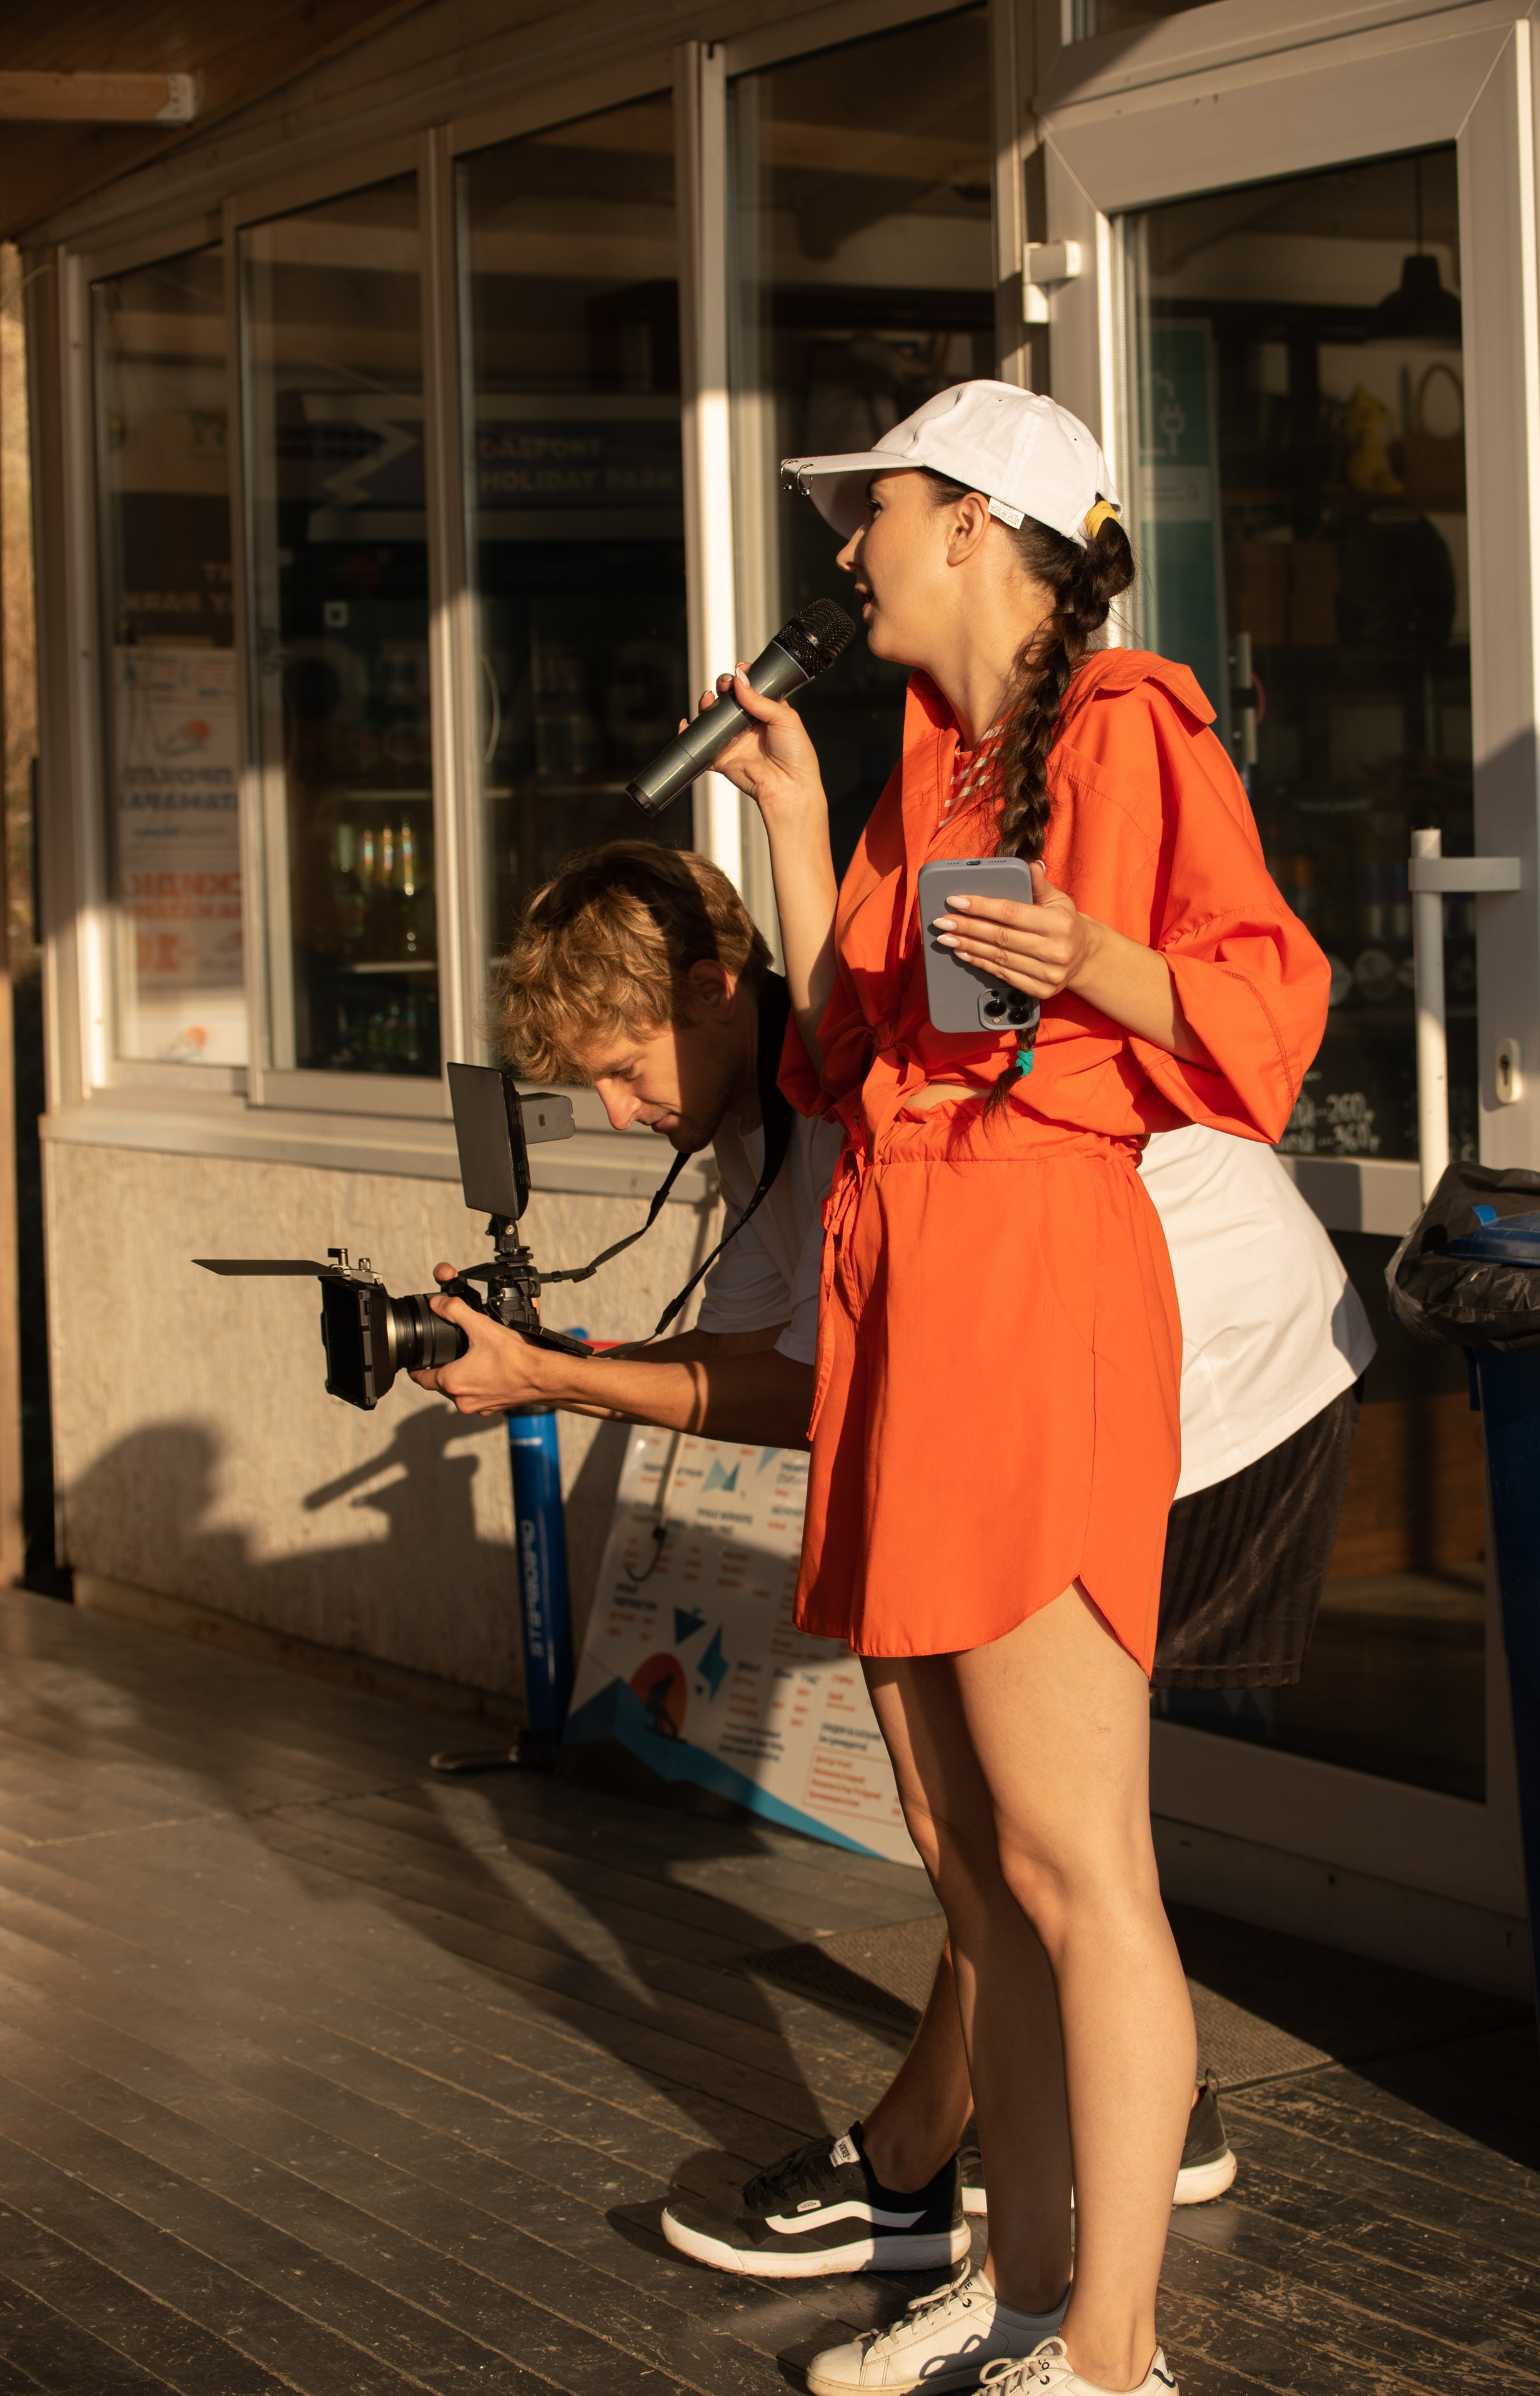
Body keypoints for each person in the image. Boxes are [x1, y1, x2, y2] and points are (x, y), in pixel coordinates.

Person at [415, 826, 1361, 2328]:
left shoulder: (844, 1074)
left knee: (1021, 1836)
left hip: (1214, 1382)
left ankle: (964, 2201)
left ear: (719, 988)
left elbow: (798, 1387)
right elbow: (757, 1361)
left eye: (624, 1065)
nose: (613, 1108)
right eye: (586, 1084)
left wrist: (555, 1377)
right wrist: (545, 1364)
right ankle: (1078, 2133)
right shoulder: (761, 1116)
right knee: (1010, 1839)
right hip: (1094, 1390)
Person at [677, 381, 1329, 2396]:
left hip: (1035, 1286)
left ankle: (1114, 2358)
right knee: (972, 1876)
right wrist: (792, 822)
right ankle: (1029, 2285)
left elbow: (1266, 999)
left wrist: (1093, 959)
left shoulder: (1128, 724)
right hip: (912, 1297)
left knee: (1074, 1865)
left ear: (975, 526)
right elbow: (851, 1049)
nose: (846, 548)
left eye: (871, 512)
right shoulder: (925, 761)